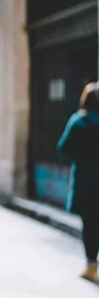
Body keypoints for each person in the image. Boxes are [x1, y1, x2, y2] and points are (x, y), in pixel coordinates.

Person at [57, 82, 99, 284]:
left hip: (86, 181)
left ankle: (91, 267)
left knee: (90, 224)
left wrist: (81, 156)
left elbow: (63, 148)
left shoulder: (78, 122)